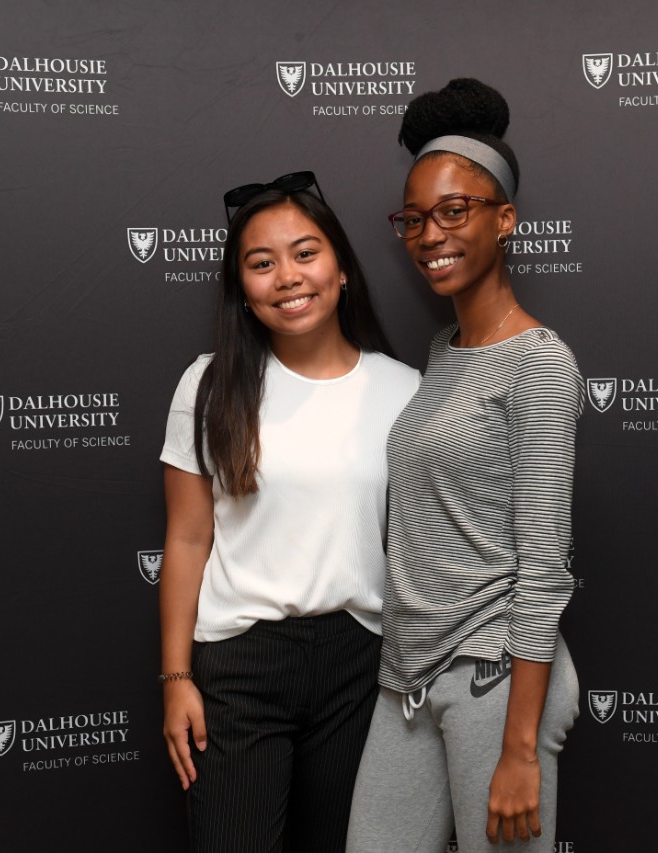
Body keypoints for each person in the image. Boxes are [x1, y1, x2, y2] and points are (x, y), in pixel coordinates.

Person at [347, 79, 584, 852]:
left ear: (505, 218)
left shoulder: (540, 364)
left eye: (454, 210)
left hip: (495, 678)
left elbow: (545, 568)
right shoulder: (442, 354)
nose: (429, 234)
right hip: (409, 676)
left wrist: (519, 750)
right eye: (413, 218)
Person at [159, 172, 420, 852]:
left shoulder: (404, 391)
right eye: (261, 262)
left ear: (340, 270)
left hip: (360, 663)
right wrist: (176, 677)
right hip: (241, 667)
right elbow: (187, 539)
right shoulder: (210, 384)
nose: (287, 276)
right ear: (242, 290)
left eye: (306, 253)